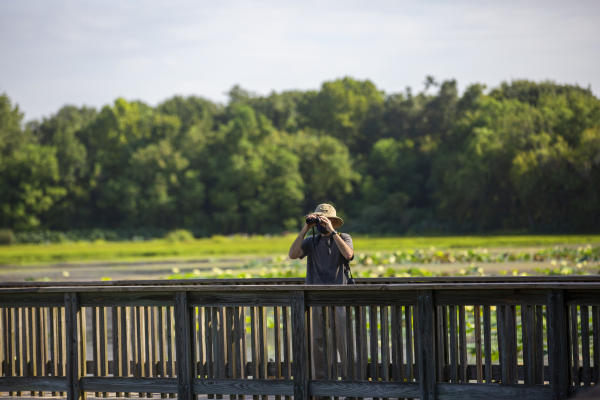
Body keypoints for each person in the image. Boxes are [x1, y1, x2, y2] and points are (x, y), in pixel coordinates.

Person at [288, 203, 354, 381]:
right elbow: (292, 255)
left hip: (340, 301)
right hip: (315, 301)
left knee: (344, 344)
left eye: (325, 219)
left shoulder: (344, 237)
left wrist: (332, 231)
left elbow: (348, 255)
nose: (322, 223)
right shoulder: (311, 241)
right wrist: (306, 229)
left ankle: (349, 385)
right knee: (317, 345)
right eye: (319, 220)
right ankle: (321, 387)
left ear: (333, 221)